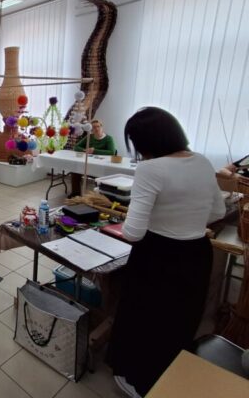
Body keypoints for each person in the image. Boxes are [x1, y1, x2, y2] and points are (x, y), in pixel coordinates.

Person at [106, 107, 225, 397]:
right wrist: (185, 220)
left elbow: (133, 232)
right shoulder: (202, 161)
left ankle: (138, 382)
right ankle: (168, 378)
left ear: (147, 141)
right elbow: (218, 212)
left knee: (146, 319)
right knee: (179, 320)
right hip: (197, 253)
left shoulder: (151, 169)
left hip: (158, 256)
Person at [69, 119, 116, 196]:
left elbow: (111, 152)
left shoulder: (108, 138)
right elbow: (76, 147)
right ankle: (75, 194)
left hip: (101, 166)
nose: (96, 129)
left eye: (98, 126)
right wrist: (85, 150)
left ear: (101, 127)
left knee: (101, 176)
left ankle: (100, 196)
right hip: (89, 164)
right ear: (91, 129)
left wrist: (94, 151)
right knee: (75, 171)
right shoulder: (89, 137)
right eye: (94, 127)